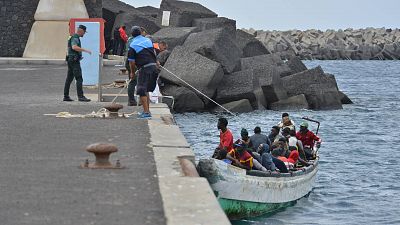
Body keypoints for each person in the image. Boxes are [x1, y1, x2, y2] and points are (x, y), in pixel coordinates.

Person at [128, 26, 159, 119]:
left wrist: (132, 73)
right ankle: (147, 111)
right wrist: (156, 61)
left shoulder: (132, 45)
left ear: (132, 35)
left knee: (141, 89)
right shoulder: (148, 40)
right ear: (141, 33)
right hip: (154, 67)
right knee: (146, 90)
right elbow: (153, 52)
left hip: (145, 68)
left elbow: (132, 62)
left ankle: (146, 112)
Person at [63, 25, 91, 102]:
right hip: (74, 61)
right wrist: (85, 50)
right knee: (79, 78)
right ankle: (81, 96)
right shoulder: (75, 37)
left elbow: (71, 50)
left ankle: (66, 96)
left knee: (69, 79)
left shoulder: (72, 37)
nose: (84, 34)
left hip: (71, 59)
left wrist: (78, 55)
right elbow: (74, 47)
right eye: (84, 32)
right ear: (81, 31)